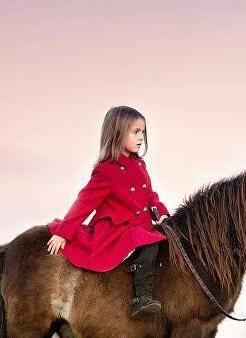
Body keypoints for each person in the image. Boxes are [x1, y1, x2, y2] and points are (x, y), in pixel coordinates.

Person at [46, 106, 171, 318]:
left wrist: (161, 213)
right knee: (149, 244)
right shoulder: (106, 171)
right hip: (117, 229)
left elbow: (149, 195)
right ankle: (142, 299)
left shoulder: (139, 165)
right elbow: (84, 202)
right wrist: (63, 233)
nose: (141, 137)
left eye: (143, 132)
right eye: (135, 132)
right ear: (118, 133)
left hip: (140, 225)